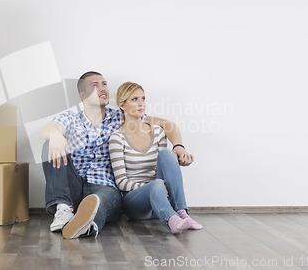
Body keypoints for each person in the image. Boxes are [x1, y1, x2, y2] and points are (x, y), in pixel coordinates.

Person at [42, 71, 194, 239]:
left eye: (104, 84)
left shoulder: (120, 118)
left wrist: (178, 146)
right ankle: (63, 208)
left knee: (101, 203)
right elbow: (50, 128)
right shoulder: (71, 118)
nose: (102, 89)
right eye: (95, 85)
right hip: (72, 183)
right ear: (82, 94)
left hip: (104, 185)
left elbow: (167, 125)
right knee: (47, 145)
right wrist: (56, 135)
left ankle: (86, 226)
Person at [109, 82, 202, 234]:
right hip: (136, 204)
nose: (141, 104)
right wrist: (151, 186)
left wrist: (180, 157)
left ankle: (182, 213)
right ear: (122, 106)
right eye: (134, 99)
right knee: (157, 183)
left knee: (167, 154)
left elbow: (164, 166)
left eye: (143, 98)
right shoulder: (117, 138)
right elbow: (121, 182)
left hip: (161, 196)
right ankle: (172, 220)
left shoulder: (158, 132)